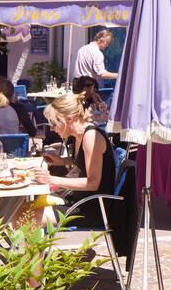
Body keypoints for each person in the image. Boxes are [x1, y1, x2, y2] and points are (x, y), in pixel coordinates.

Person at [32, 91, 120, 237]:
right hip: (79, 201)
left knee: (27, 218)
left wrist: (50, 180)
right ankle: (33, 257)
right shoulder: (80, 136)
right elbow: (84, 164)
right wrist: (62, 161)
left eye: (54, 123)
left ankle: (33, 259)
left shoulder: (91, 137)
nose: (52, 129)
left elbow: (93, 183)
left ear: (70, 119)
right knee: (23, 211)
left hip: (91, 208)